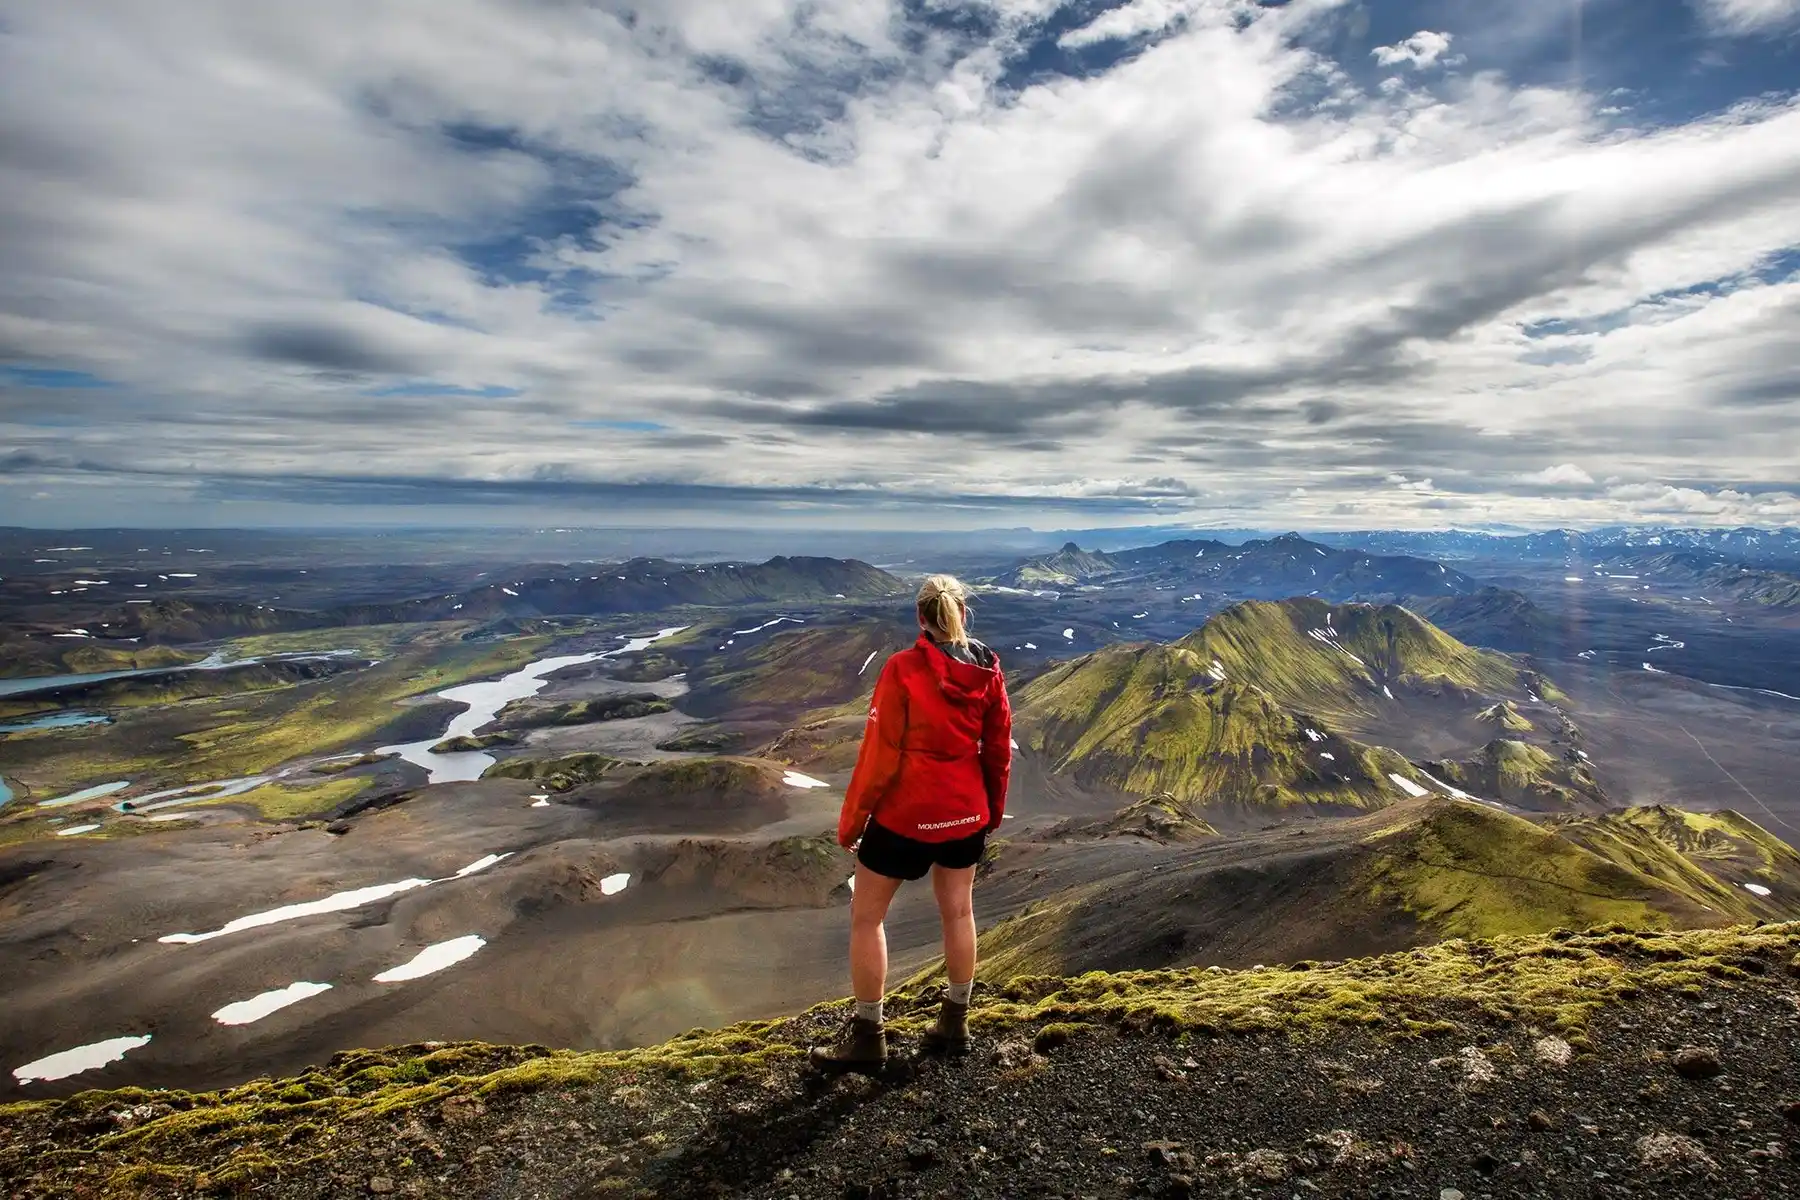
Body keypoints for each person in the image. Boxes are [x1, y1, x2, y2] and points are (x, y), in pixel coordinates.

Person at [809, 574, 1012, 1071]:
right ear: (961, 612)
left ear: (921, 617)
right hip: (966, 812)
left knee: (867, 917)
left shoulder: (902, 669)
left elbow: (879, 756)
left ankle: (868, 1037)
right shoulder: (988, 670)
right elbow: (997, 750)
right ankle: (955, 1023)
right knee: (958, 913)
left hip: (906, 816)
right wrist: (990, 811)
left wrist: (852, 822)